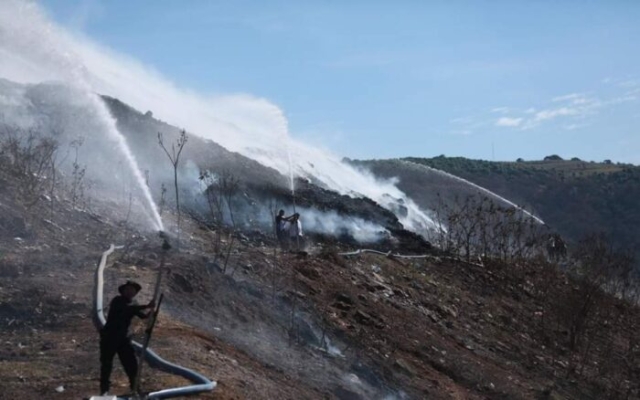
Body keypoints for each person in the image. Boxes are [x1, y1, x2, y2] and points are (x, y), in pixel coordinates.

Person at [100, 280, 155, 395]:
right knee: (107, 364)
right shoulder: (117, 300)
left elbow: (142, 316)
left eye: (132, 290)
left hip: (123, 338)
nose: (130, 292)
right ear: (123, 291)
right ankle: (104, 391)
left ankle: (135, 388)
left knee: (131, 363)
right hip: (109, 337)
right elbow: (127, 309)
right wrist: (146, 305)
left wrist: (151, 313)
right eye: (127, 289)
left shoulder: (133, 304)